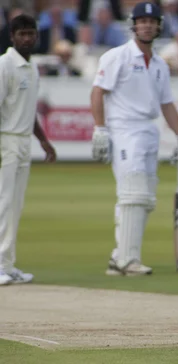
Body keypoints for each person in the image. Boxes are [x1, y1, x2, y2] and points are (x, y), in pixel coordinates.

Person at [90, 1, 178, 276]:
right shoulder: (117, 56)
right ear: (133, 25)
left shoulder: (160, 64)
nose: (147, 25)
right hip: (123, 129)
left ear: (159, 25)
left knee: (144, 197)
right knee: (131, 192)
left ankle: (120, 258)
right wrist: (100, 128)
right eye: (142, 20)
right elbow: (98, 92)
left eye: (152, 21)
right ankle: (126, 260)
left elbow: (167, 104)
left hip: (148, 131)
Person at [0, 15, 57, 286]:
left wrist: (43, 141)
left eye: (30, 34)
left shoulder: (32, 67)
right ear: (12, 36)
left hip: (23, 142)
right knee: (3, 204)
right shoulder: (5, 65)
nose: (26, 38)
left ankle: (8, 266)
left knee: (15, 206)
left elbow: (29, 111)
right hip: (6, 141)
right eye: (21, 34)